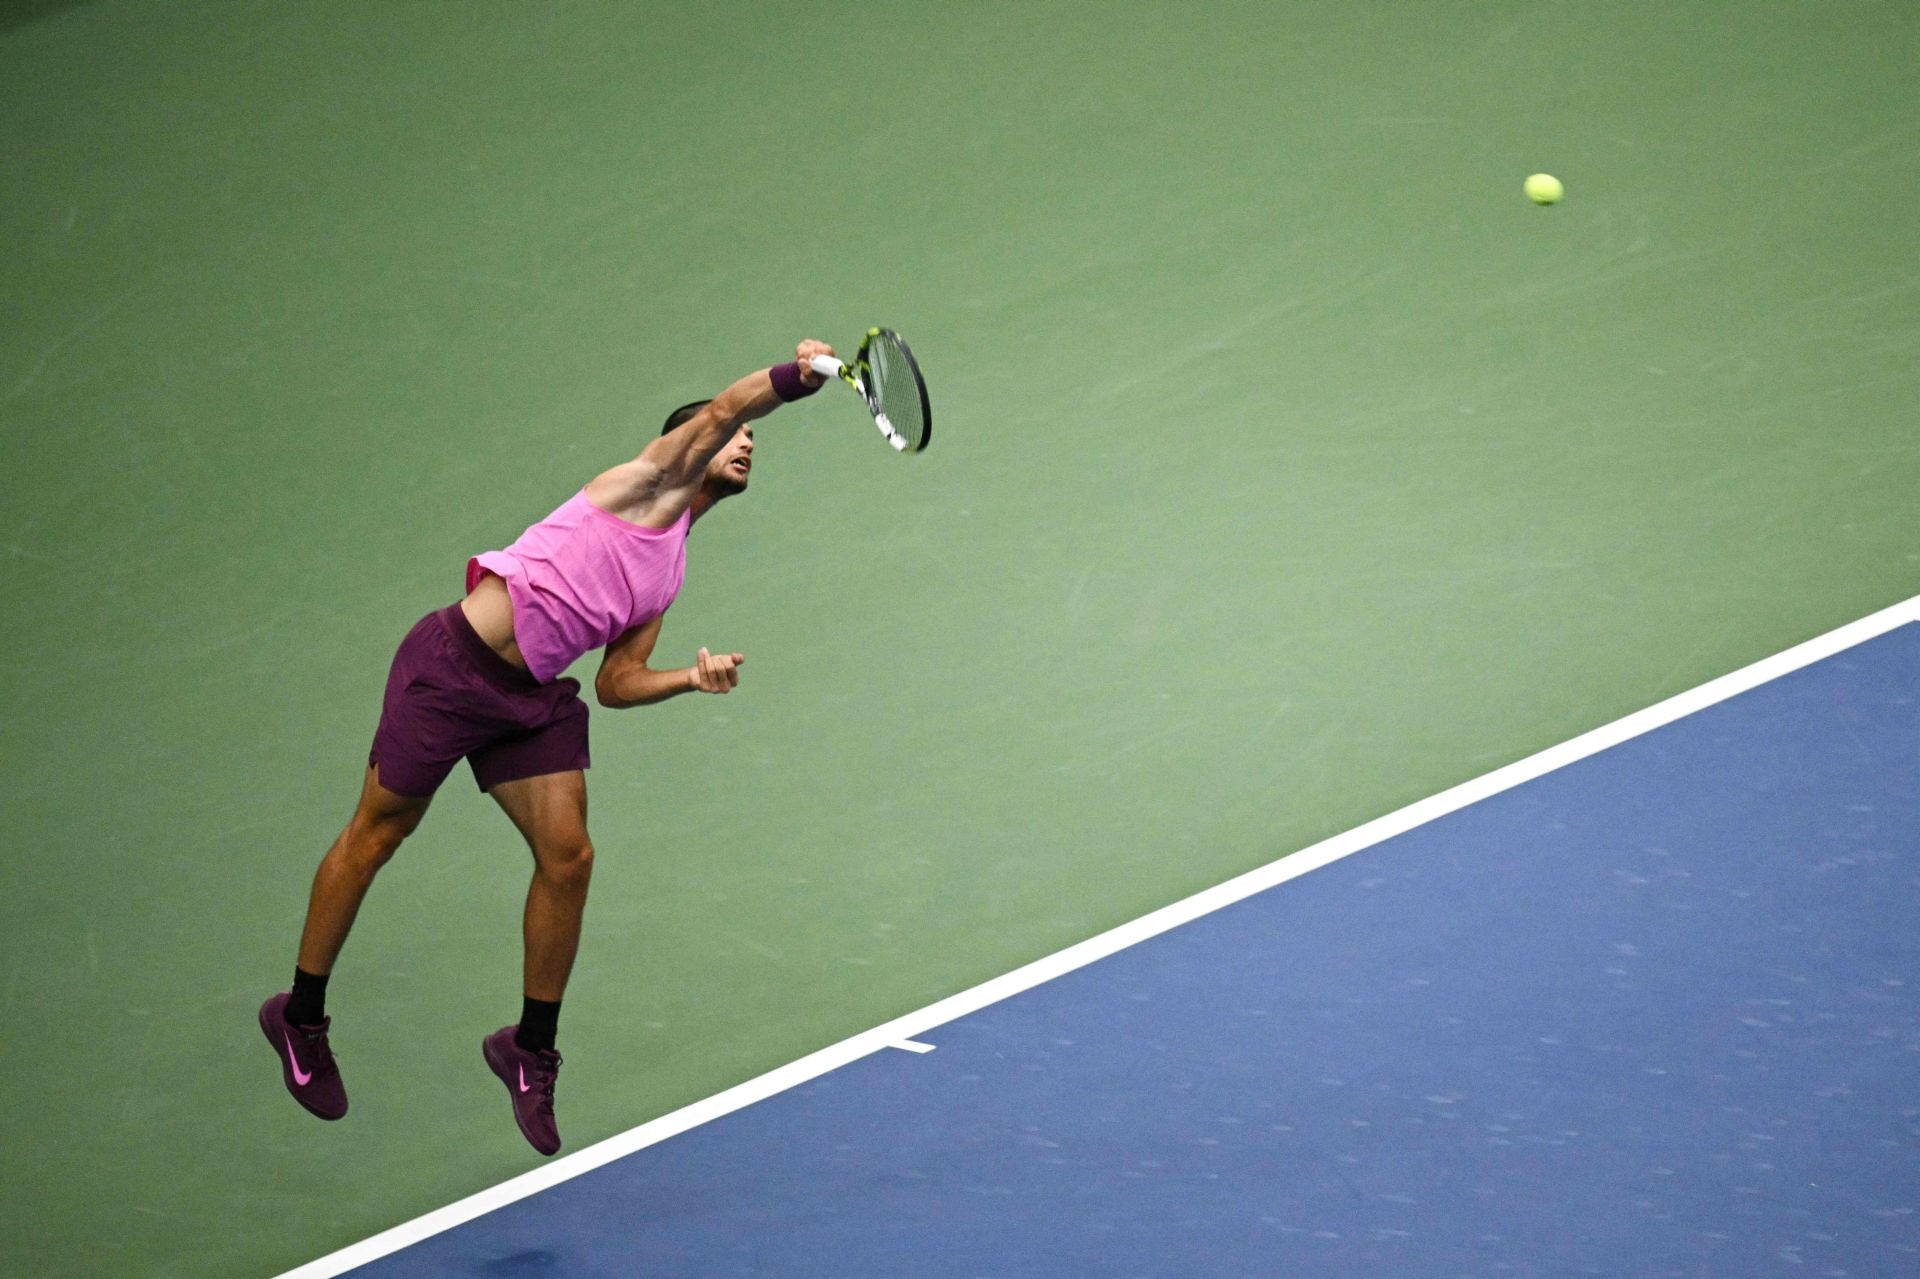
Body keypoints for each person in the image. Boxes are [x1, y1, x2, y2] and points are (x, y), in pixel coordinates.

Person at [259, 340, 835, 1155]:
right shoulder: (644, 485)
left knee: (570, 857)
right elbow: (721, 409)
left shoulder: (667, 570)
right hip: (453, 667)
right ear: (692, 447)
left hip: (530, 701)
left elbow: (616, 680)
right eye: (739, 436)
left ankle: (529, 1048)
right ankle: (300, 1016)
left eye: (754, 443)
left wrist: (688, 681)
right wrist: (795, 377)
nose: (746, 444)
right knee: (378, 834)